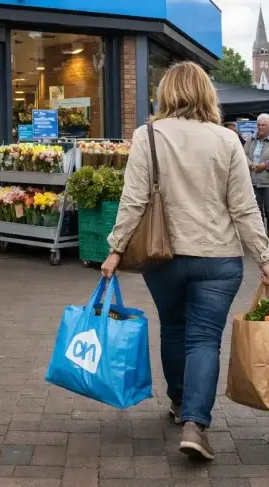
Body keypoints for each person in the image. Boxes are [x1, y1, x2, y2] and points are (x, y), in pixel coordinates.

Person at [101, 61, 269, 462]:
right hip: (219, 258)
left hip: (163, 257)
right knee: (205, 338)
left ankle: (179, 403)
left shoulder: (148, 135)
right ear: (206, 93)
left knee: (174, 329)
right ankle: (196, 424)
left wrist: (116, 248)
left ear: (167, 93)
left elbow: (134, 199)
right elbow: (244, 207)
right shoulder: (227, 140)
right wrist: (264, 257)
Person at [244, 114, 269, 228]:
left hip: (267, 182)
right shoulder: (251, 139)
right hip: (253, 182)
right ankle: (261, 235)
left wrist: (265, 165)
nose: (261, 127)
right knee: (257, 213)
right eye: (259, 125)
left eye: (264, 125)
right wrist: (250, 165)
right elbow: (243, 154)